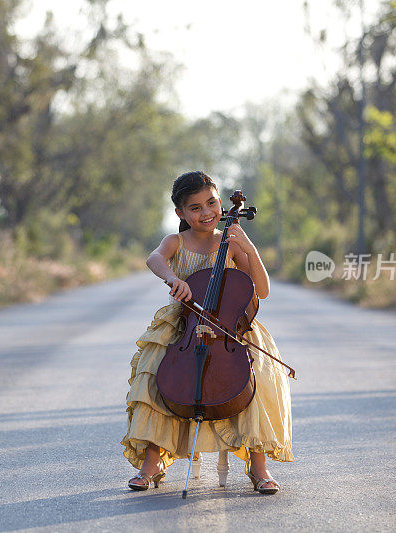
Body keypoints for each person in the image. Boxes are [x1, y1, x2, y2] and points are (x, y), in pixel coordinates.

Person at [122, 170, 293, 494]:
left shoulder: (228, 242)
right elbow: (154, 258)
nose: (206, 212)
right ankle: (153, 461)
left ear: (220, 202)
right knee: (155, 373)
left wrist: (249, 247)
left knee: (258, 376)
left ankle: (258, 466)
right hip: (186, 323)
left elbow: (263, 290)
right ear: (180, 213)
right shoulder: (176, 241)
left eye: (211, 203)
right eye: (195, 207)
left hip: (229, 327)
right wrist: (173, 278)